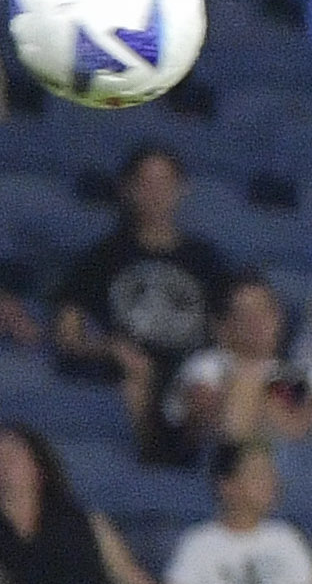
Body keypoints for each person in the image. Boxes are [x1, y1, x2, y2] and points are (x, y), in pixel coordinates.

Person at [51, 143, 235, 448]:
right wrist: (110, 348)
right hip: (124, 379)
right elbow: (67, 334)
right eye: (145, 183)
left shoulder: (207, 260)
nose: (156, 193)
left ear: (182, 188)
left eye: (165, 183)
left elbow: (229, 329)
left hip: (193, 379)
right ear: (127, 189)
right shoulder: (102, 256)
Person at [173, 274, 312, 461]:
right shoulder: (207, 364)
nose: (258, 322)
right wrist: (269, 406)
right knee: (247, 377)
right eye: (245, 313)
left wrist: (281, 417)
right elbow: (203, 418)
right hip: (234, 457)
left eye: (265, 310)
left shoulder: (308, 371)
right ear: (223, 327)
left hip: (309, 453)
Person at [166, 439, 312, 584]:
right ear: (227, 486)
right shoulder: (199, 542)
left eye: (270, 473)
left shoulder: (286, 537)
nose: (270, 482)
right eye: (257, 475)